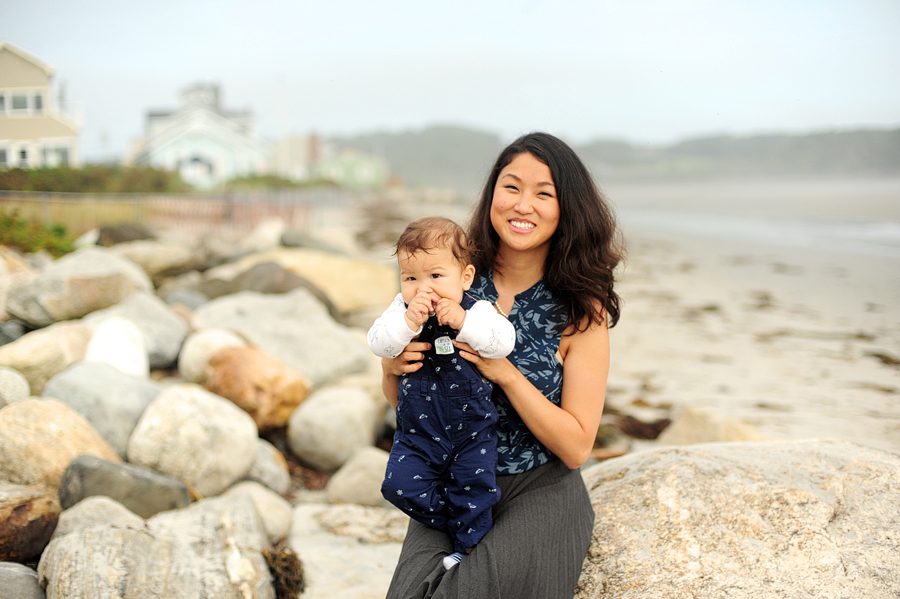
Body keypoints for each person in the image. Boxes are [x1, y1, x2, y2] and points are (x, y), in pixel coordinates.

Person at [381, 132, 623, 599]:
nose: (523, 205)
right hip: (451, 475)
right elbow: (406, 402)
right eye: (511, 187)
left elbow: (576, 447)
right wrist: (391, 371)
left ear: (566, 207)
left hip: (540, 487)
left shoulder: (580, 310)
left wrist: (507, 374)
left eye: (543, 193)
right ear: (493, 194)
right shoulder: (448, 273)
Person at [368, 216, 517, 570]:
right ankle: (449, 518)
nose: (424, 289)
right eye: (411, 278)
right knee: (398, 487)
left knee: (476, 488)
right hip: (418, 433)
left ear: (465, 277)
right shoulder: (400, 312)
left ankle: (466, 549)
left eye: (436, 276)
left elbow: (503, 343)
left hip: (471, 431)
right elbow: (378, 343)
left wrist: (464, 323)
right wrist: (407, 325)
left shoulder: (479, 310)